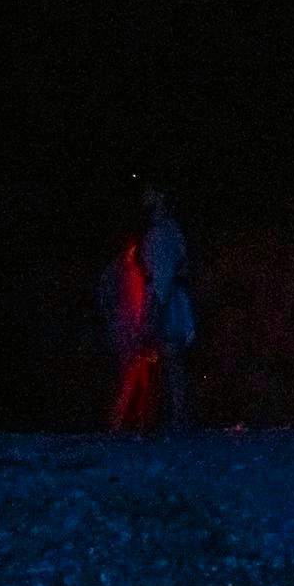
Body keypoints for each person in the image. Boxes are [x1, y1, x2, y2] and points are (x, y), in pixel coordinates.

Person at [141, 183, 197, 432]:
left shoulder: (162, 234)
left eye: (150, 192)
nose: (144, 197)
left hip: (168, 300)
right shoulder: (168, 231)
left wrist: (154, 310)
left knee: (171, 361)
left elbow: (162, 278)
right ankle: (175, 417)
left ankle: (177, 418)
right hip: (171, 297)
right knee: (171, 362)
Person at [99, 232, 155, 432]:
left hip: (135, 331)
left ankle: (140, 422)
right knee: (128, 378)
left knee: (142, 379)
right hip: (127, 332)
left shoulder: (135, 271)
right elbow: (112, 303)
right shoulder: (119, 272)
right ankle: (116, 422)